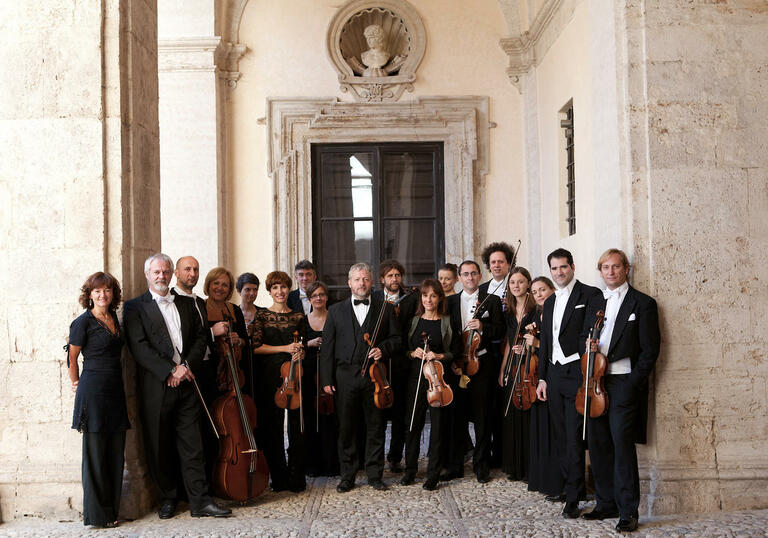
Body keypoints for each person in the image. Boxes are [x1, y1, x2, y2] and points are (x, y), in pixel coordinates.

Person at [123, 253, 230, 519]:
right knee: (160, 446)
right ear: (148, 274)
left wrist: (186, 368)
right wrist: (170, 370)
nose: (162, 276)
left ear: (172, 274)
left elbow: (200, 337)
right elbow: (139, 347)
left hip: (187, 383)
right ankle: (168, 498)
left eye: (166, 272)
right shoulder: (134, 307)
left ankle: (200, 501)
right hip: (156, 387)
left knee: (193, 445)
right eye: (157, 272)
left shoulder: (184, 302)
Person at [580, 249, 660, 533]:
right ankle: (606, 503)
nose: (610, 272)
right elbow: (583, 337)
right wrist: (586, 347)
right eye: (605, 267)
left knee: (622, 447)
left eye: (616, 267)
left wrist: (633, 383)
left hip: (622, 383)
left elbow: (650, 351)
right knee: (599, 445)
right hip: (594, 384)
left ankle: (628, 511)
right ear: (600, 271)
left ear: (627, 269)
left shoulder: (643, 303)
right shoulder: (595, 301)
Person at [319, 263, 401, 492]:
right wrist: (326, 380)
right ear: (349, 283)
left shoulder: (385, 308)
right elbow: (327, 349)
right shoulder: (335, 311)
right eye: (357, 279)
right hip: (344, 376)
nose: (361, 283)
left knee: (376, 425)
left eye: (365, 279)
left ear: (372, 282)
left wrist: (383, 349)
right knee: (346, 428)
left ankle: (375, 474)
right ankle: (348, 476)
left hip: (375, 378)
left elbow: (397, 340)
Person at [535, 248, 601, 519]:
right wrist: (541, 377)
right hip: (553, 375)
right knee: (561, 436)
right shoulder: (549, 301)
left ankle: (574, 496)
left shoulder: (590, 295)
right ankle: (569, 486)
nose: (559, 272)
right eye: (554, 268)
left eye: (563, 267)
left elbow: (589, 333)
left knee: (574, 437)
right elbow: (546, 344)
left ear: (572, 266)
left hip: (576, 373)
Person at [67, 272, 130, 528]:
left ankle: (112, 512)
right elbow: (72, 358)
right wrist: (75, 382)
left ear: (113, 294)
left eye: (107, 290)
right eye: (97, 291)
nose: (102, 295)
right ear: (89, 295)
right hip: (92, 392)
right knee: (94, 455)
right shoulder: (82, 323)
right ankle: (96, 515)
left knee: (115, 453)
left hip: (115, 390)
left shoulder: (114, 317)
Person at [441, 260, 505, 484]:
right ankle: (455, 465)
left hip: (482, 364)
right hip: (457, 365)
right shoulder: (448, 302)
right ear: (459, 278)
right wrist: (452, 360)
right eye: (465, 274)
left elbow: (501, 330)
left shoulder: (493, 301)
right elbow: (445, 333)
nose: (469, 278)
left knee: (482, 417)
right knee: (456, 417)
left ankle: (481, 465)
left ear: (479, 276)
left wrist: (483, 327)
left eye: (473, 274)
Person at [400, 279, 461, 491]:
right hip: (416, 379)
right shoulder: (414, 321)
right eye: (425, 295)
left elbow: (455, 351)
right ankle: (410, 470)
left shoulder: (447, 321)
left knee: (437, 429)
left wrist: (439, 355)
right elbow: (404, 350)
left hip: (438, 380)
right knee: (412, 425)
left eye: (433, 296)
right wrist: (412, 352)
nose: (428, 299)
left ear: (439, 298)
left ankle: (433, 474)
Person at [251, 271, 307, 492]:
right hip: (270, 377)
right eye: (275, 288)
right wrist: (285, 348)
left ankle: (296, 478)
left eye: (283, 287)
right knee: (272, 428)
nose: (280, 291)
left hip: (294, 377)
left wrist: (300, 353)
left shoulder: (298, 317)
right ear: (270, 291)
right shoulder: (262, 316)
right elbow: (256, 347)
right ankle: (279, 478)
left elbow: (302, 348)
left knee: (296, 428)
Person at [373, 259, 418, 474]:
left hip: (401, 361)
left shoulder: (411, 299)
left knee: (400, 413)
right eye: (390, 276)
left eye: (397, 275)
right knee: (378, 411)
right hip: (379, 362)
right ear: (382, 279)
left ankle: (395, 457)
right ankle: (376, 458)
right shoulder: (373, 298)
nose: (394, 279)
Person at [525, 276, 564, 498]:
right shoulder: (535, 316)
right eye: (535, 291)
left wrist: (538, 343)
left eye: (543, 289)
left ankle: (558, 483)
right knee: (541, 430)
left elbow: (554, 348)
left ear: (551, 290)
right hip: (536, 378)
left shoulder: (556, 311)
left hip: (552, 376)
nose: (539, 294)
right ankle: (544, 480)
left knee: (554, 431)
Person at [498, 267, 537, 481]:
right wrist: (503, 369)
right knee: (512, 414)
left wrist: (529, 348)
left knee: (528, 416)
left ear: (528, 284)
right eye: (512, 282)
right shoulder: (508, 313)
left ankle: (530, 467)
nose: (516, 286)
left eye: (520, 282)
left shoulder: (536, 311)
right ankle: (515, 467)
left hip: (529, 365)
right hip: (513, 365)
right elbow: (508, 343)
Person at [479, 241, 516, 468]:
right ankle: (489, 452)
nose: (496, 265)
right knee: (489, 405)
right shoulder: (482, 290)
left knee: (505, 404)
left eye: (501, 261)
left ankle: (505, 454)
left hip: (508, 348)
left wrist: (508, 305)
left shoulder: (514, 285)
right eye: (492, 262)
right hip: (485, 352)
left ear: (508, 263)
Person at [302, 281, 340, 477]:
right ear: (309, 299)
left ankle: (332, 464)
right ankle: (312, 464)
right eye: (314, 295)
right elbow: (298, 346)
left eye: (322, 295)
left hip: (331, 373)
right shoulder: (303, 319)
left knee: (331, 419)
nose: (318, 298)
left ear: (326, 297)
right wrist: (311, 343)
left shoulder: (334, 317)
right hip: (309, 375)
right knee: (310, 418)